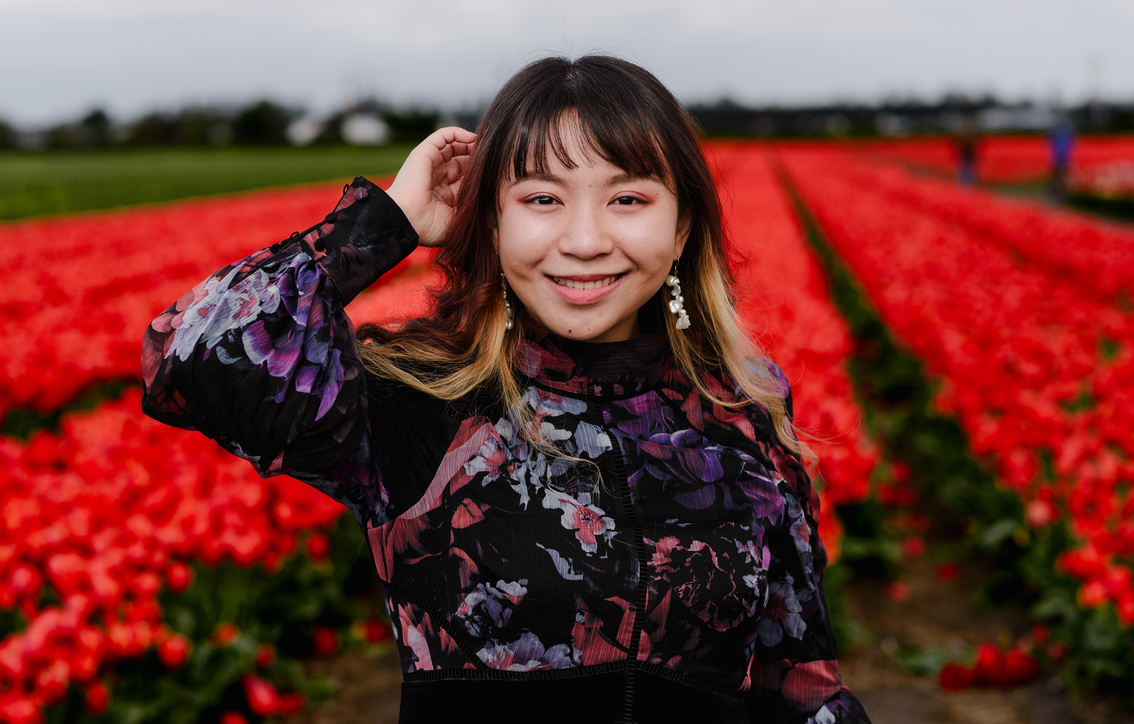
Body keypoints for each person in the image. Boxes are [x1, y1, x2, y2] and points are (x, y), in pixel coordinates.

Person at [141, 55, 870, 724]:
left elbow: (799, 683)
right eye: (543, 198)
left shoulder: (739, 409)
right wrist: (384, 221)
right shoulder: (420, 402)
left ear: (682, 227)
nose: (585, 240)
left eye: (628, 199)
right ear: (491, 220)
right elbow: (192, 356)